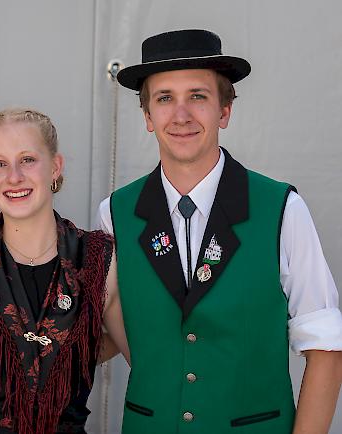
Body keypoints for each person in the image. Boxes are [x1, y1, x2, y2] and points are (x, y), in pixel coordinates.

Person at [97, 29, 342, 433]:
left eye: (198, 96)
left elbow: (326, 350)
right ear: (147, 117)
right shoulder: (116, 215)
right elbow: (104, 333)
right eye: (164, 99)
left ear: (224, 111)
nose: (181, 115)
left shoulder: (281, 209)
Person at [0, 108, 128, 434]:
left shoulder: (98, 259)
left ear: (55, 166)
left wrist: (60, 354)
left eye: (27, 159)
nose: (14, 176)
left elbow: (138, 350)